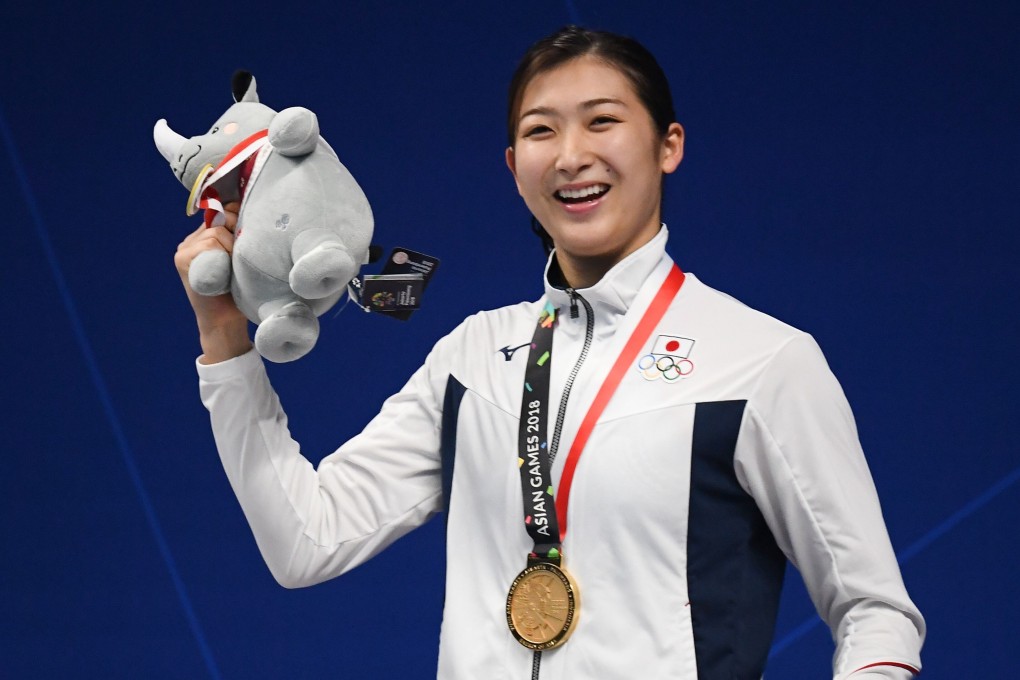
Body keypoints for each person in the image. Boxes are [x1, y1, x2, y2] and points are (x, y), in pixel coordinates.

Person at [174, 26, 924, 680]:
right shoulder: (474, 355)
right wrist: (225, 342)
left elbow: (875, 613)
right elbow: (306, 543)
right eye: (541, 131)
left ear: (669, 146)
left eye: (603, 122)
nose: (571, 156)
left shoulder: (762, 363)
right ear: (511, 165)